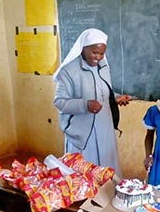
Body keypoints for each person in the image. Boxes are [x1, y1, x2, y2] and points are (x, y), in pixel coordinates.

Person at [54, 28, 134, 177]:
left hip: (105, 128)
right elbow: (59, 102)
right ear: (83, 48)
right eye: (94, 52)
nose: (98, 57)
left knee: (107, 171)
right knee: (85, 174)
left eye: (102, 53)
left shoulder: (102, 66)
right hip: (84, 134)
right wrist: (85, 105)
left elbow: (102, 90)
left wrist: (115, 98)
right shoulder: (68, 71)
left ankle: (106, 197)